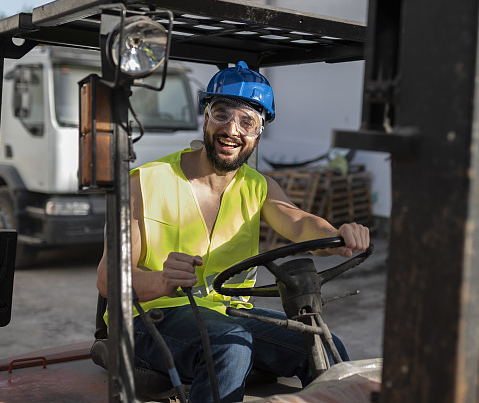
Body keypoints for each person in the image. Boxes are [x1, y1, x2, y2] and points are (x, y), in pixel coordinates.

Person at [96, 61, 371, 403]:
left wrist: (338, 235)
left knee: (319, 340)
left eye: (247, 122)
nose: (232, 129)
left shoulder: (258, 186)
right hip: (149, 319)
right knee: (229, 342)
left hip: (227, 314)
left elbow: (297, 220)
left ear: (258, 133)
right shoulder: (144, 183)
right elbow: (109, 278)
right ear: (205, 118)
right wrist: (161, 280)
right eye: (222, 114)